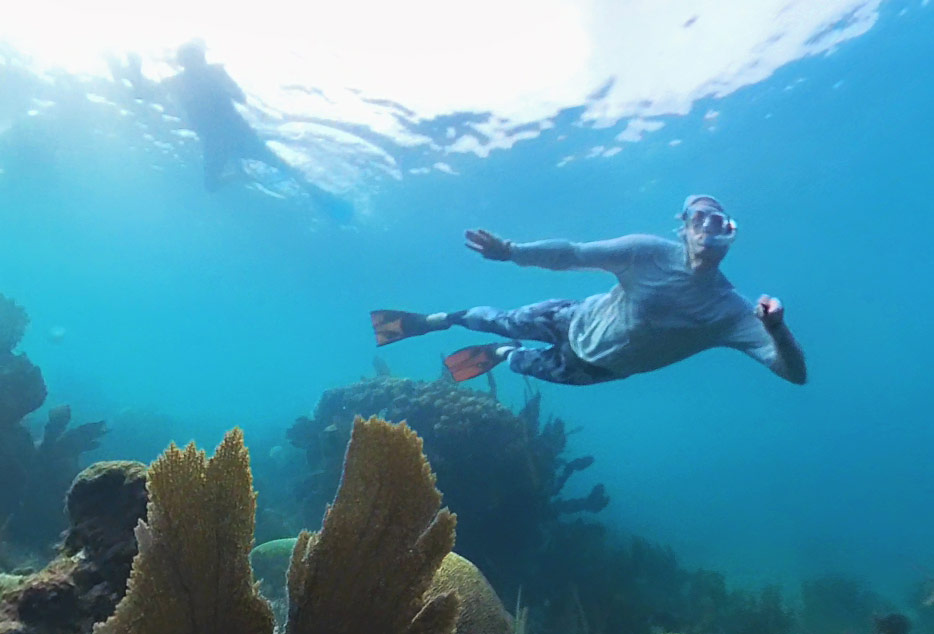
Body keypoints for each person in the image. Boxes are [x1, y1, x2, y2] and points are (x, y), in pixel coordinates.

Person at [370, 195, 807, 386]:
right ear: (684, 228)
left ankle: (500, 354)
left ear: (731, 235)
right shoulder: (647, 251)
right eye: (699, 219)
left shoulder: (733, 312)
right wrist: (511, 251)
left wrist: (779, 330)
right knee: (499, 318)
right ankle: (433, 321)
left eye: (721, 222)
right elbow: (573, 254)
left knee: (520, 360)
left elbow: (793, 374)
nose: (709, 227)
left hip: (593, 369)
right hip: (570, 316)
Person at [116, 40, 352, 222]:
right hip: (230, 137)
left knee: (223, 182)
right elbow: (240, 97)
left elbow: (143, 95)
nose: (195, 62)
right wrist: (135, 69)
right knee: (272, 171)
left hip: (227, 137)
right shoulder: (201, 76)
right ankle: (316, 197)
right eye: (194, 57)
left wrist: (135, 69)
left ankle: (319, 198)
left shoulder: (194, 77)